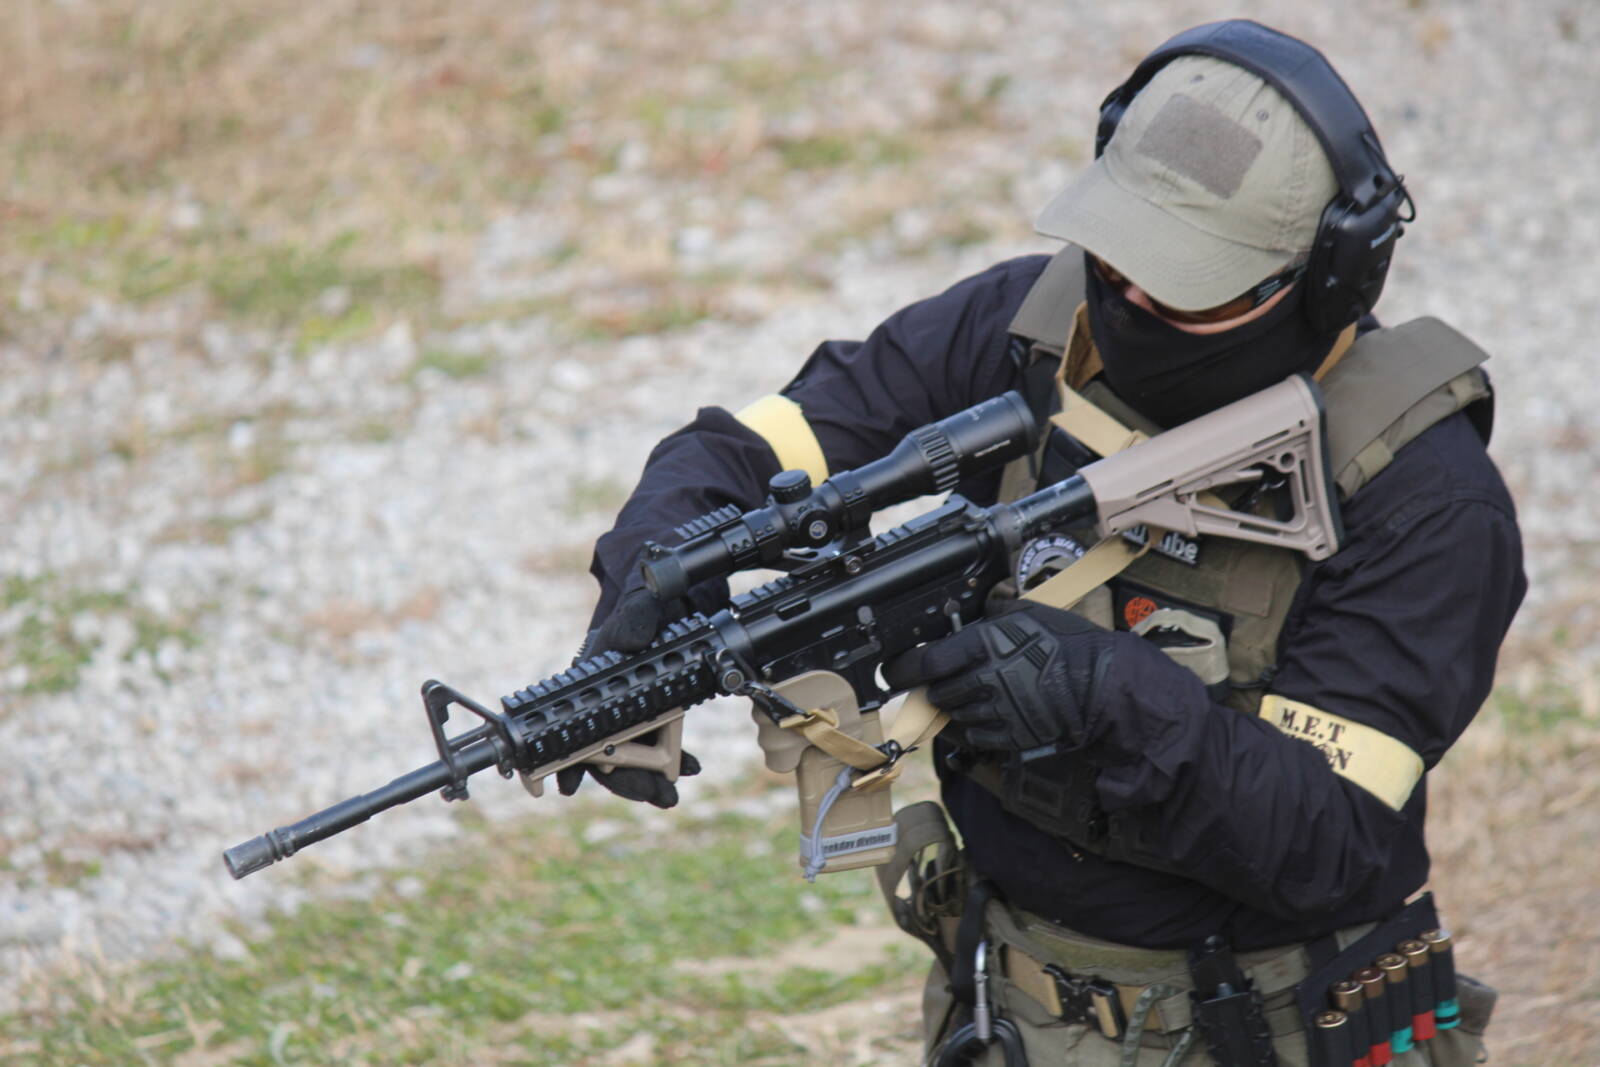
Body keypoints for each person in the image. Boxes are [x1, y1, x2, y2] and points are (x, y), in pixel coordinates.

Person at [563, 20, 1524, 1065]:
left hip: (1272, 1026)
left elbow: (1330, 840)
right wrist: (655, 567)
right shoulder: (1032, 326)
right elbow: (752, 444)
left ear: (1324, 277)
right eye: (1117, 260)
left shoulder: (1422, 494)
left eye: (1186, 286)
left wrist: (1104, 698)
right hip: (1007, 1006)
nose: (1130, 306)